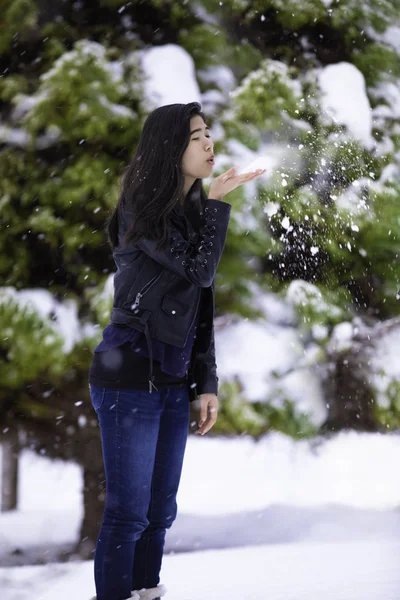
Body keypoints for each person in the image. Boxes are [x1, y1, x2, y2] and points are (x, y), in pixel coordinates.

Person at [88, 102, 265, 600]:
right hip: (128, 376)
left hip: (168, 381)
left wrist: (205, 383)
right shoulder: (140, 212)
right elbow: (200, 271)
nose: (209, 143)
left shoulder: (190, 218)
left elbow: (199, 307)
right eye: (195, 137)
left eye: (208, 133)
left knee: (159, 513)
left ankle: (147, 593)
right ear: (170, 148)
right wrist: (217, 204)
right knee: (128, 514)